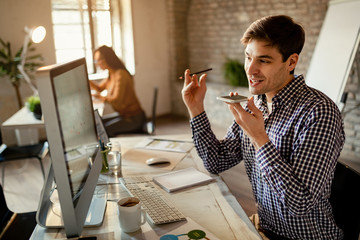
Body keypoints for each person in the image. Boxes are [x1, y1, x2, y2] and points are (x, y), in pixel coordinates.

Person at [181, 15, 345, 240]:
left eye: (264, 61)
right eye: (248, 57)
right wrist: (196, 108)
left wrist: (259, 137)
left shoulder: (319, 112)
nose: (250, 69)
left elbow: (300, 203)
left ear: (291, 62)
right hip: (264, 229)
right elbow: (215, 161)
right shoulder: (256, 103)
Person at [90, 45, 146, 136]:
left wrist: (100, 97)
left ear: (107, 59)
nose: (97, 63)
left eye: (98, 60)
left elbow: (116, 99)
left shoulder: (121, 74)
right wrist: (86, 79)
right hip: (123, 115)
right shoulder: (111, 74)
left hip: (134, 118)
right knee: (99, 123)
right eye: (95, 60)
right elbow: (100, 88)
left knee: (104, 130)